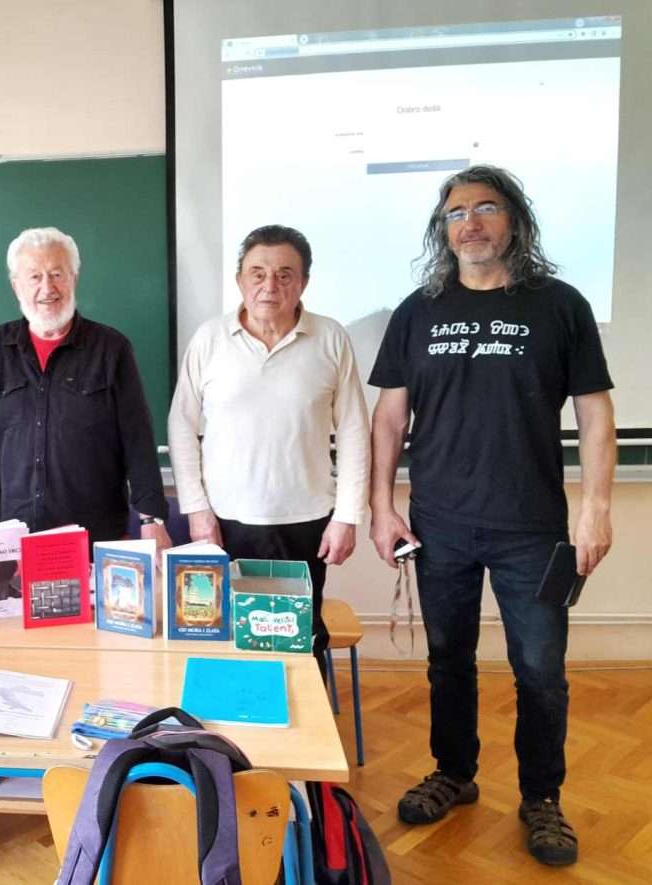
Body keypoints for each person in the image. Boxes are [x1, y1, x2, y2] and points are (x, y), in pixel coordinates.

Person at [367, 165, 615, 866]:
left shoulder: (559, 305)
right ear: (442, 230)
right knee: (449, 660)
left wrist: (595, 508)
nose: (470, 223)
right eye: (456, 213)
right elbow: (389, 419)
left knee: (540, 670)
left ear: (515, 221)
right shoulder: (418, 310)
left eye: (486, 208)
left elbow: (595, 416)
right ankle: (454, 772)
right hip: (438, 523)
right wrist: (382, 506)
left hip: (531, 529)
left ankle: (542, 797)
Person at [168, 225, 369, 670]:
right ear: (240, 280)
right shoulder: (210, 339)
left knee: (299, 641)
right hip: (224, 522)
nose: (269, 286)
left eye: (284, 274)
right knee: (224, 641)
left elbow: (355, 429)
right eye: (257, 273)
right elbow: (181, 425)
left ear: (304, 283)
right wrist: (196, 509)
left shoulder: (330, 338)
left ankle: (305, 717)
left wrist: (347, 516)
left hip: (306, 521)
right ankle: (232, 718)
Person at [0, 227, 170, 549]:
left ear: (74, 278)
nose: (47, 288)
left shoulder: (111, 349)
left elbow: (138, 440)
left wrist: (151, 520)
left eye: (57, 274)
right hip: (16, 537)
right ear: (16, 286)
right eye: (34, 277)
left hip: (97, 537)